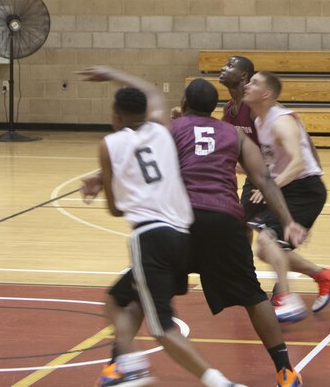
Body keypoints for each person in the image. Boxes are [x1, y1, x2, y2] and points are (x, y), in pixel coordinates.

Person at [81, 68, 306, 387]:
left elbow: (138, 156)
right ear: (214, 107)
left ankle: (119, 365)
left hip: (180, 222)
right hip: (225, 220)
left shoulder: (170, 129)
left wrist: (98, 178)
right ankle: (285, 369)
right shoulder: (234, 134)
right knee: (253, 296)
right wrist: (288, 221)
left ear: (184, 103)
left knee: (142, 292)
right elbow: (264, 180)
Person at [84, 79, 247, 387]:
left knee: (161, 326)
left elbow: (116, 209)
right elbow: (155, 95)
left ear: (116, 116)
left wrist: (104, 181)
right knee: (117, 298)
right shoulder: (162, 131)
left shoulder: (109, 144)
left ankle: (217, 382)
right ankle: (126, 366)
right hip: (181, 237)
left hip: (150, 237)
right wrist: (112, 73)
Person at [243, 71, 330, 323]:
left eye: (254, 83)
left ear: (266, 94)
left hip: (304, 189)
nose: (247, 86)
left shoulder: (281, 122)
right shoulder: (260, 122)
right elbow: (269, 162)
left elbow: (297, 163)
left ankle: (286, 298)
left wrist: (269, 187)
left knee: (267, 242)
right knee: (266, 250)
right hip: (288, 188)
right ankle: (323, 276)